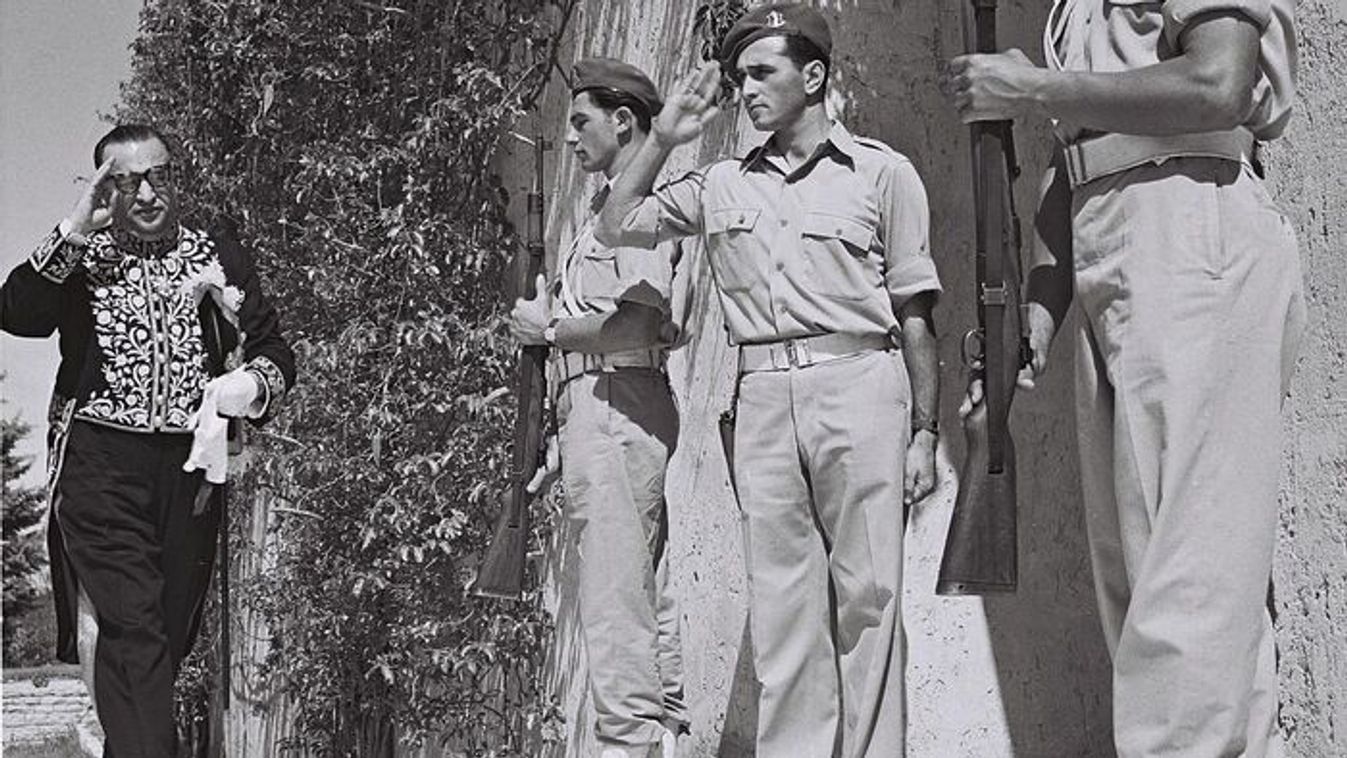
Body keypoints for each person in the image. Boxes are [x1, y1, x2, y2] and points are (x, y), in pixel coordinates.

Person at [948, 0, 1304, 754]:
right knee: (1144, 588)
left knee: (1189, 588)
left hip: (1189, 220)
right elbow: (1076, 155)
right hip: (1113, 247)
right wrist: (1038, 310)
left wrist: (1034, 88)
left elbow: (1218, 81)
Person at [594, 5, 943, 755]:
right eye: (739, 76)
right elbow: (615, 224)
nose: (746, 89)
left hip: (859, 383)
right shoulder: (719, 182)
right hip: (760, 399)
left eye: (762, 72)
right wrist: (664, 138)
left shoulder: (883, 173)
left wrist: (925, 430)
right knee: (784, 611)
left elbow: (915, 311)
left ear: (812, 76)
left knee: (871, 600)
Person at [0, 123, 296, 757]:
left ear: (174, 177)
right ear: (105, 189)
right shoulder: (83, 257)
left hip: (190, 471)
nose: (146, 193)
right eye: (126, 181)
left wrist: (246, 385)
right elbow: (16, 312)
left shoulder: (217, 253)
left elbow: (274, 350)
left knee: (162, 634)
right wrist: (74, 228)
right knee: (135, 629)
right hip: (100, 467)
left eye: (158, 175)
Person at [508, 58, 687, 758]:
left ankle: (629, 744)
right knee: (639, 586)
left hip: (617, 402)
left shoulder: (632, 215)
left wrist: (548, 330)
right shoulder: (607, 212)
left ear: (623, 121)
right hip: (603, 404)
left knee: (615, 599)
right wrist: (563, 421)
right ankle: (660, 734)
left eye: (581, 121)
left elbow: (641, 322)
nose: (571, 136)